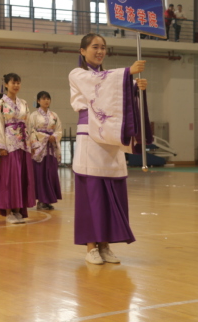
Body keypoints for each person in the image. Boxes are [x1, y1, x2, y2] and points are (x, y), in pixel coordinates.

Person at [69, 33, 151, 265]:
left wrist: (136, 88)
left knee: (110, 192)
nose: (100, 51)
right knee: (92, 192)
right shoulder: (77, 74)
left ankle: (105, 245)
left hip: (110, 137)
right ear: (82, 51)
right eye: (95, 47)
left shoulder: (112, 77)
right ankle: (91, 246)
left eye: (103, 47)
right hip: (90, 138)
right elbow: (99, 84)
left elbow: (115, 91)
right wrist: (128, 73)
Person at [0, 74, 36, 224]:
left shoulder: (24, 103)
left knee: (21, 178)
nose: (16, 85)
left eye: (18, 83)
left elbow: (29, 124)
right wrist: (0, 146)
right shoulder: (1, 103)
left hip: (23, 143)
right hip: (9, 145)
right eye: (13, 83)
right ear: (6, 84)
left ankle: (18, 210)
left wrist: (31, 143)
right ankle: (9, 212)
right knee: (10, 178)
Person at [29, 91, 62, 210]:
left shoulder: (54, 115)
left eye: (48, 98)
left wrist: (55, 136)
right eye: (43, 98)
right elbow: (31, 131)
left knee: (51, 172)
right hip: (40, 148)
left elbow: (59, 130)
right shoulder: (33, 115)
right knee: (40, 174)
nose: (46, 100)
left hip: (51, 148)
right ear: (38, 101)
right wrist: (45, 137)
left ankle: (48, 200)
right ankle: (41, 201)